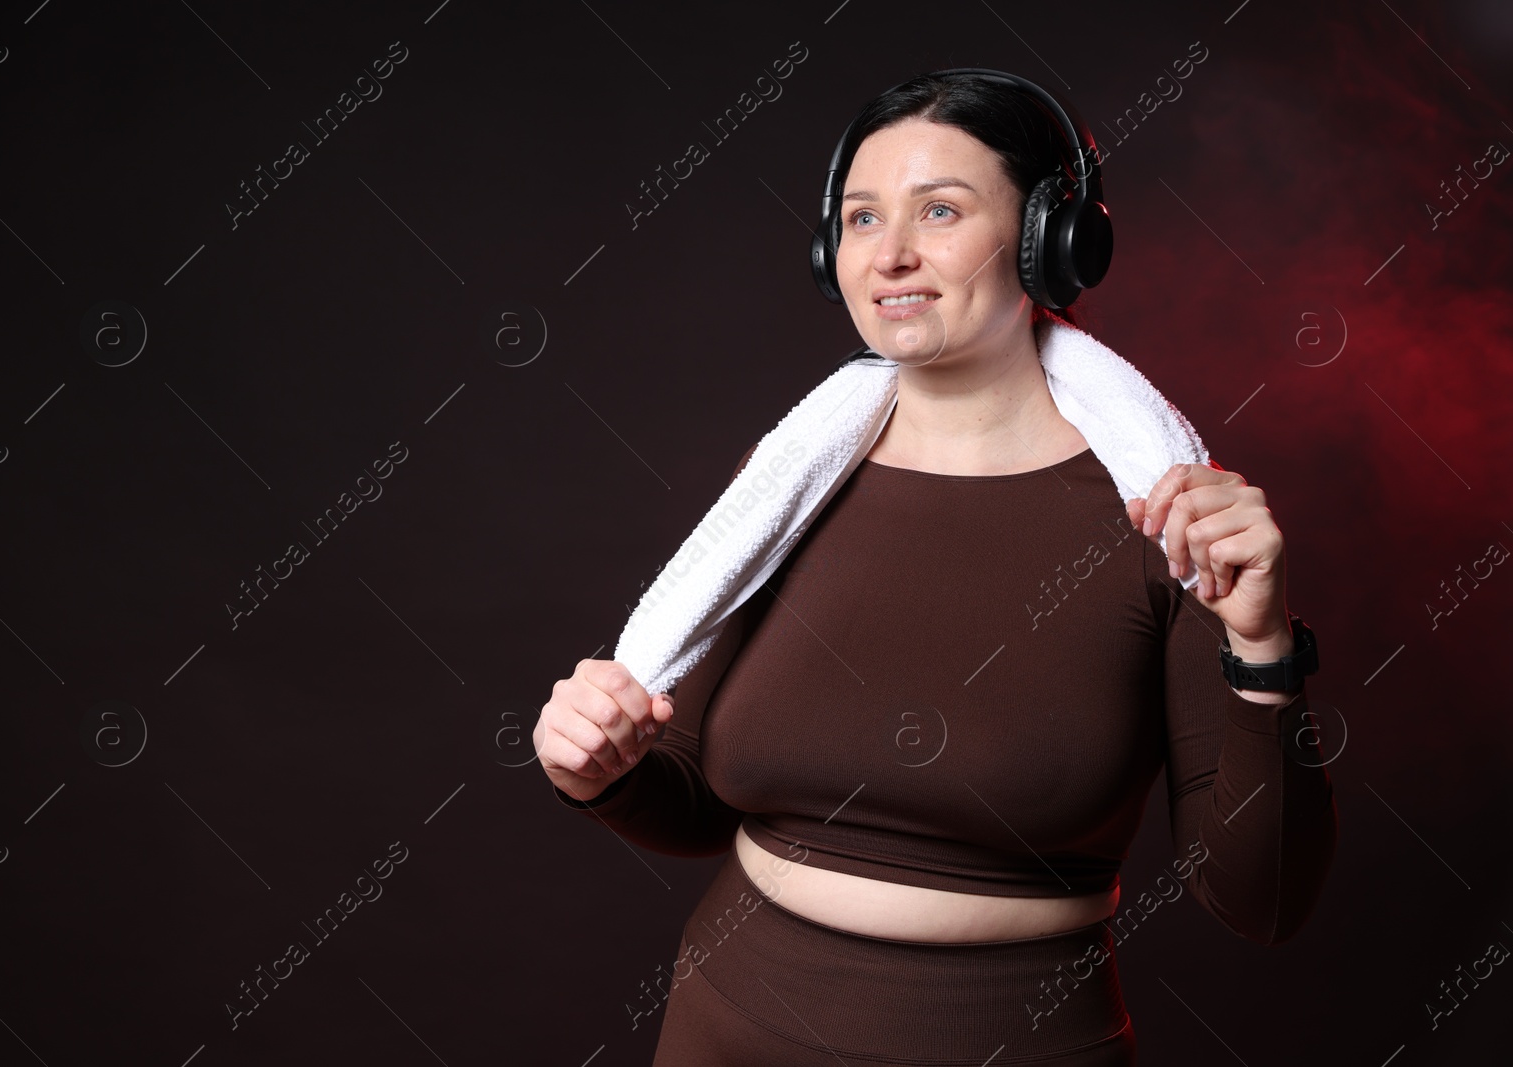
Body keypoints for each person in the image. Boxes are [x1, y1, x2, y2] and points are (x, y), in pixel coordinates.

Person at [536, 69, 1337, 1066]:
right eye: (862, 218)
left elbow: (1259, 902)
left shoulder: (1171, 514)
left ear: (1055, 238)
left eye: (941, 210)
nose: (891, 254)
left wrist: (1261, 645)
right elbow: (695, 797)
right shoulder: (784, 485)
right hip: (725, 1027)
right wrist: (600, 769)